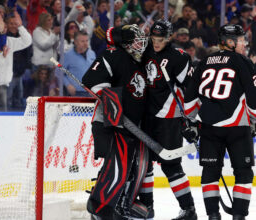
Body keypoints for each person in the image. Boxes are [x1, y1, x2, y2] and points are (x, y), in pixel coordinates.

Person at [184, 24, 256, 220]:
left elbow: (190, 97)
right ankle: (239, 216)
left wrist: (191, 122)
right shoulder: (242, 61)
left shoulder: (204, 62)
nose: (244, 43)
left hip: (209, 128)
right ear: (230, 42)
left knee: (210, 173)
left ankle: (213, 216)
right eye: (241, 40)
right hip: (237, 127)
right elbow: (254, 97)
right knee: (243, 172)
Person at [81, 24, 149, 219]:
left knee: (124, 170)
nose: (140, 43)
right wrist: (114, 107)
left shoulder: (136, 60)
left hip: (130, 127)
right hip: (112, 125)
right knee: (116, 168)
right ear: (124, 42)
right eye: (135, 40)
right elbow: (91, 80)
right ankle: (100, 209)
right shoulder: (112, 54)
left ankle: (110, 206)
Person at [139, 19, 197, 220]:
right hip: (146, 117)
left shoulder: (179, 57)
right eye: (153, 38)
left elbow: (191, 90)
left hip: (169, 119)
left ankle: (188, 209)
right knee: (143, 163)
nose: (156, 42)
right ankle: (147, 208)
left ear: (169, 37)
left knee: (170, 165)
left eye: (161, 39)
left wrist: (191, 119)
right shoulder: (144, 52)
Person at [0, 13, 31, 112]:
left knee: (3, 116)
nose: (5, 28)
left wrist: (20, 26)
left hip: (5, 84)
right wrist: (1, 53)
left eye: (5, 26)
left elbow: (27, 41)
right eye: (3, 26)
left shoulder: (9, 41)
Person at [63, 30, 95, 96]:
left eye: (87, 41)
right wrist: (68, 85)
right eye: (82, 41)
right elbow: (59, 72)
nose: (86, 43)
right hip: (76, 93)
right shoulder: (68, 55)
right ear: (75, 42)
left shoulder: (92, 54)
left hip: (91, 92)